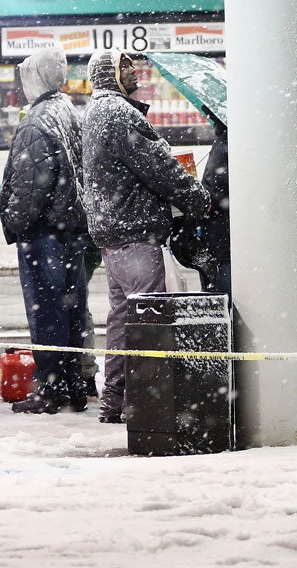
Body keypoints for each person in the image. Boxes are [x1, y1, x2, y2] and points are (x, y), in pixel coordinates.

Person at [82, 51, 210, 424]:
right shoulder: (119, 114)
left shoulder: (97, 111)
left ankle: (115, 401)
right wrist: (196, 199)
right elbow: (159, 167)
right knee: (146, 322)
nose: (134, 73)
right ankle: (143, 403)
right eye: (125, 68)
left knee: (124, 320)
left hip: (113, 233)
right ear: (110, 75)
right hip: (134, 233)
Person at [0, 46, 91, 415]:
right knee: (71, 311)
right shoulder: (67, 110)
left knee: (47, 312)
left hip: (44, 233)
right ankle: (73, 385)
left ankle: (50, 389)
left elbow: (29, 186)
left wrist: (13, 221)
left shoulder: (36, 120)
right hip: (70, 230)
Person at [200, 114, 231, 296]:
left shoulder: (226, 141)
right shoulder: (228, 138)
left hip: (222, 233)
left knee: (223, 291)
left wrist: (200, 195)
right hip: (225, 234)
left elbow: (216, 186)